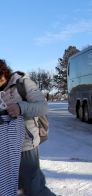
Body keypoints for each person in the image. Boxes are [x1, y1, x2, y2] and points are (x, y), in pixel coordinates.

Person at [0, 59, 55, 196]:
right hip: (5, 147)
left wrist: (20, 108)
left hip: (26, 145)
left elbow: (43, 107)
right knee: (15, 187)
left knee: (34, 189)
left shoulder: (22, 83)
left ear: (3, 73)